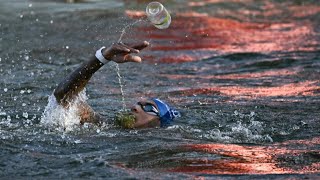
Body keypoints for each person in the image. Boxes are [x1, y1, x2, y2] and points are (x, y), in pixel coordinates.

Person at [53, 41, 180, 128]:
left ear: (159, 123)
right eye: (138, 104)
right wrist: (101, 58)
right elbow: (63, 95)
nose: (135, 108)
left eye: (149, 108)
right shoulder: (103, 125)